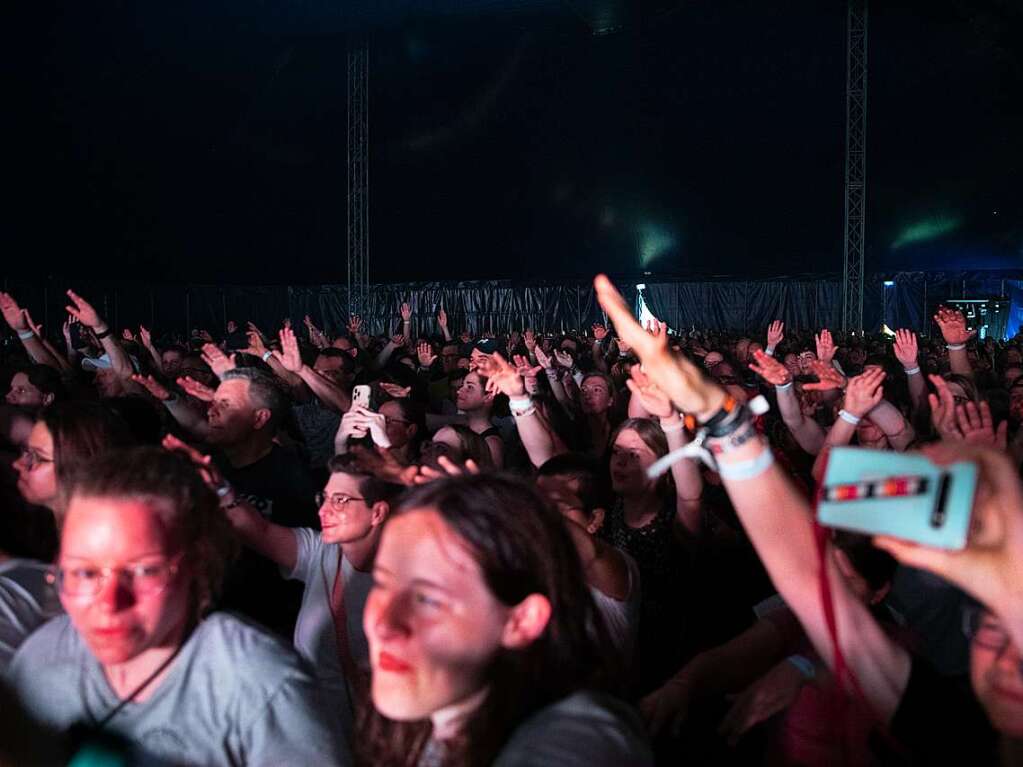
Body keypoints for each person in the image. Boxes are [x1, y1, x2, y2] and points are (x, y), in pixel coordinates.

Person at [594, 273, 1023, 763]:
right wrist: (718, 418)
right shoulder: (951, 723)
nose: (1011, 662)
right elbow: (812, 547)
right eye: (993, 629)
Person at [6, 447, 351, 765]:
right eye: (84, 572)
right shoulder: (38, 664)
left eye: (143, 571)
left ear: (197, 565)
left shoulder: (264, 687)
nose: (109, 603)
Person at [360, 473, 653, 766]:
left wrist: (508, 508)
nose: (383, 625)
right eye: (383, 584)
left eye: (428, 599)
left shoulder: (578, 738)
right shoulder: (433, 717)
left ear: (521, 620)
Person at [169, 436, 404, 728]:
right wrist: (220, 487)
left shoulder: (411, 579)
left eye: (340, 500)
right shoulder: (321, 552)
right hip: (317, 730)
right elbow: (259, 531)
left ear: (378, 512)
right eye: (325, 498)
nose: (323, 511)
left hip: (384, 740)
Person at [536, 453, 641, 665]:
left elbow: (592, 555)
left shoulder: (621, 566)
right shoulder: (531, 560)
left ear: (594, 519)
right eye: (537, 501)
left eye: (557, 506)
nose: (541, 514)